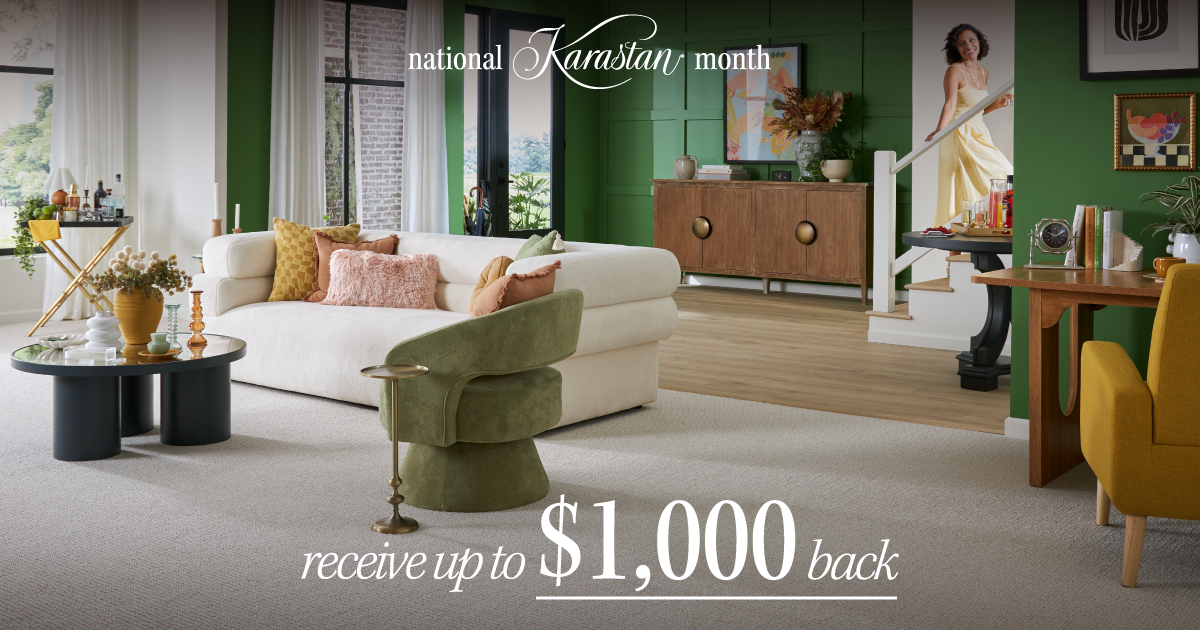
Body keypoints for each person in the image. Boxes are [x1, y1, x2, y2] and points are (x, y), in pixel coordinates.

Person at [926, 24, 1013, 231]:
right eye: (961, 43)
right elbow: (950, 105)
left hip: (979, 132)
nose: (968, 46)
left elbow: (978, 111)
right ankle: (952, 257)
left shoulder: (984, 73)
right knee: (958, 191)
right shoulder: (954, 71)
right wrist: (940, 130)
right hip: (958, 134)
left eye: (972, 40)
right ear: (955, 48)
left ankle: (978, 237)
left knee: (1003, 178)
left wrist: (998, 104)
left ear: (980, 42)